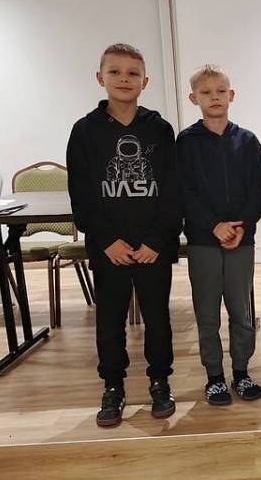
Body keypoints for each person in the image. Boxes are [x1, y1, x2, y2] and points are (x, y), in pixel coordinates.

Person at [67, 43, 181, 427]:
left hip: (153, 248)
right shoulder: (84, 132)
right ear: (100, 78)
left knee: (157, 319)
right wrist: (106, 240)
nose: (124, 79)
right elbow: (82, 196)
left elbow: (173, 192)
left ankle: (160, 381)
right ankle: (113, 386)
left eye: (133, 73)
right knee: (110, 321)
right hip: (109, 249)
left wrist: (156, 241)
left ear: (145, 82)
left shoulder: (160, 130)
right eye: (115, 72)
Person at [177, 64, 261, 406]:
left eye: (220, 91)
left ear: (231, 95)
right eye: (206, 92)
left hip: (241, 241)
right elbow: (184, 192)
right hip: (203, 241)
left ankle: (241, 371)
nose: (214, 97)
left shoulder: (249, 142)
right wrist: (213, 225)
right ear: (194, 98)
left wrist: (241, 226)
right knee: (207, 313)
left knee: (241, 311)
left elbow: (256, 193)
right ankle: (214, 376)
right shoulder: (186, 143)